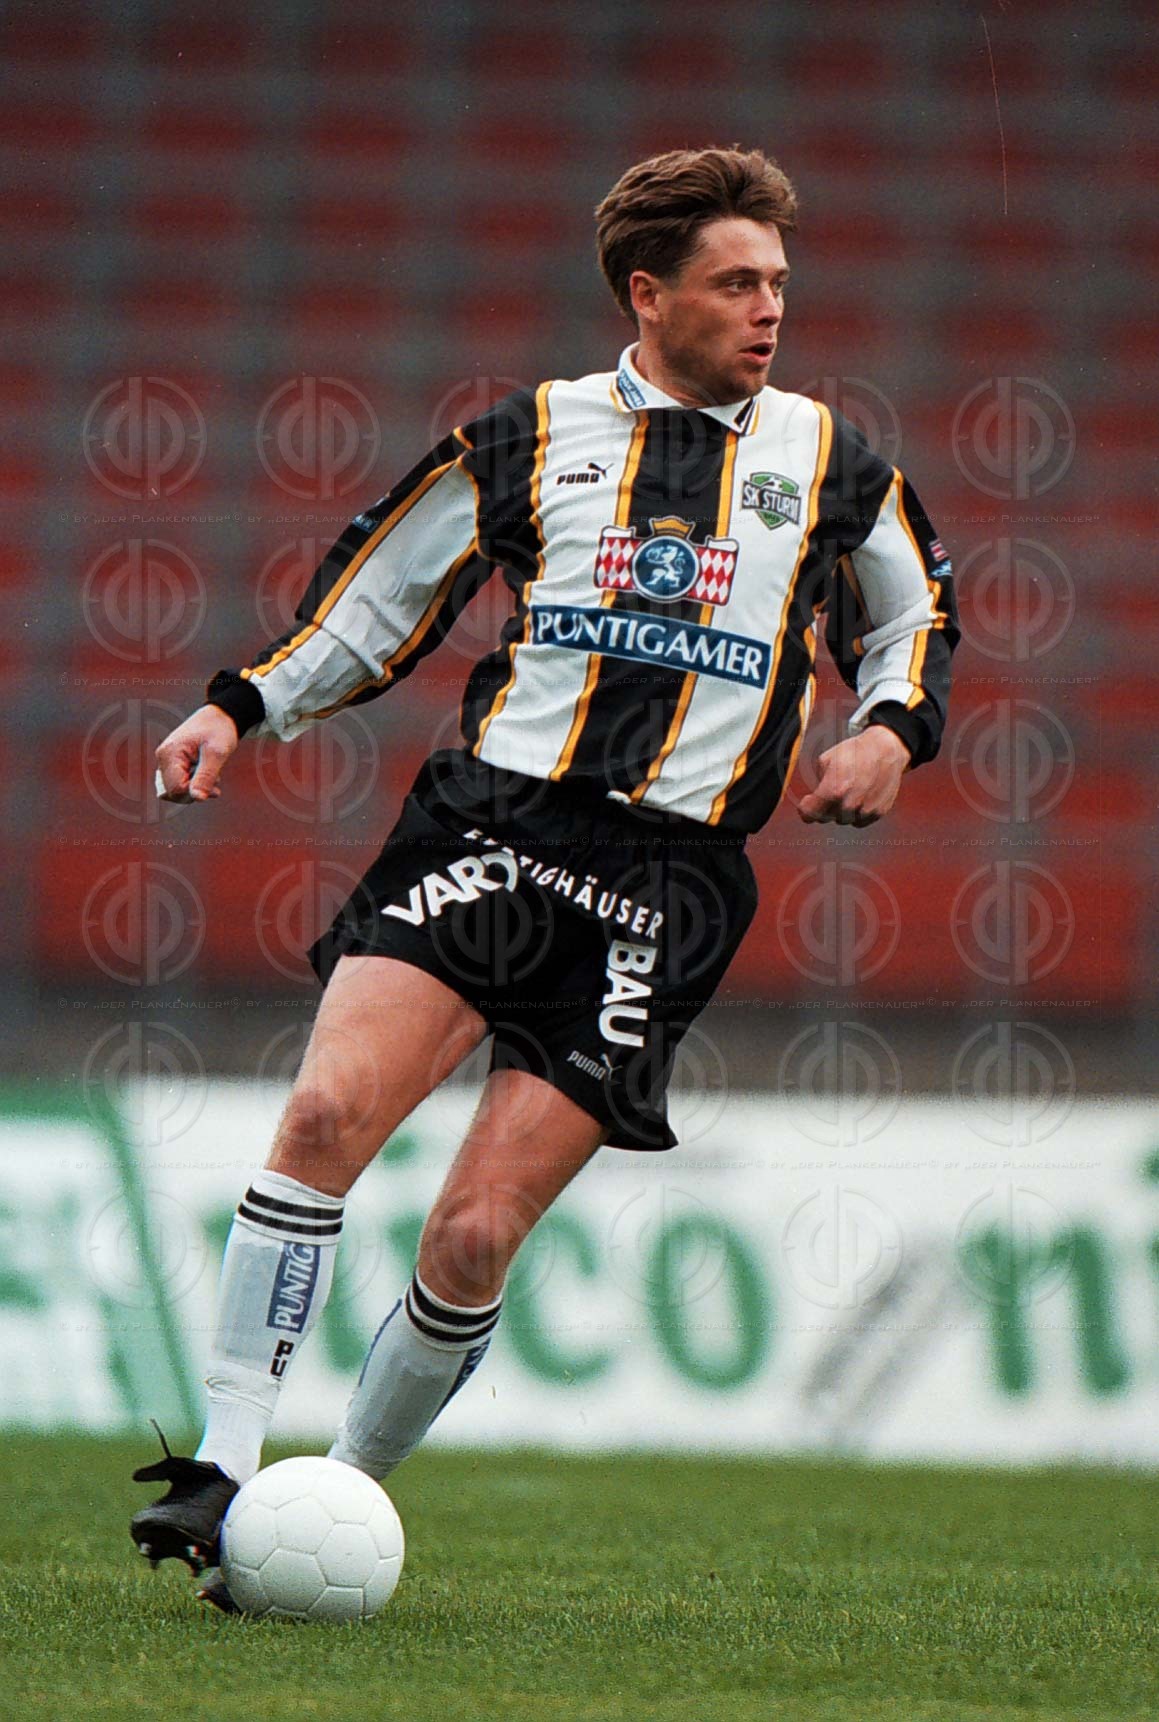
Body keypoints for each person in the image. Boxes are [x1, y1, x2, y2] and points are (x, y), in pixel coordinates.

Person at [132, 145, 958, 1608]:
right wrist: (240, 706)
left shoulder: (833, 464)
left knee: (470, 1234)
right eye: (736, 282)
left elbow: (915, 615)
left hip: (670, 887)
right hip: (493, 829)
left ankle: (334, 1504)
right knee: (321, 1114)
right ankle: (224, 1463)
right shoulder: (528, 438)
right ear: (648, 293)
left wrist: (892, 729)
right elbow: (375, 601)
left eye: (778, 281)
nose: (770, 308)